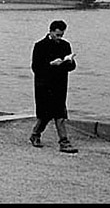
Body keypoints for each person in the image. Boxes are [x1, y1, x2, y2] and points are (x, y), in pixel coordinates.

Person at [29, 20, 79, 153]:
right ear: (51, 31)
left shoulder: (65, 45)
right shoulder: (39, 46)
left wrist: (69, 62)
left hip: (59, 84)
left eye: (61, 35)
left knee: (60, 114)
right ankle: (36, 134)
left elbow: (72, 67)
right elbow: (36, 68)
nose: (59, 38)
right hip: (44, 85)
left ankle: (64, 142)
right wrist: (51, 64)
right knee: (45, 115)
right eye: (57, 35)